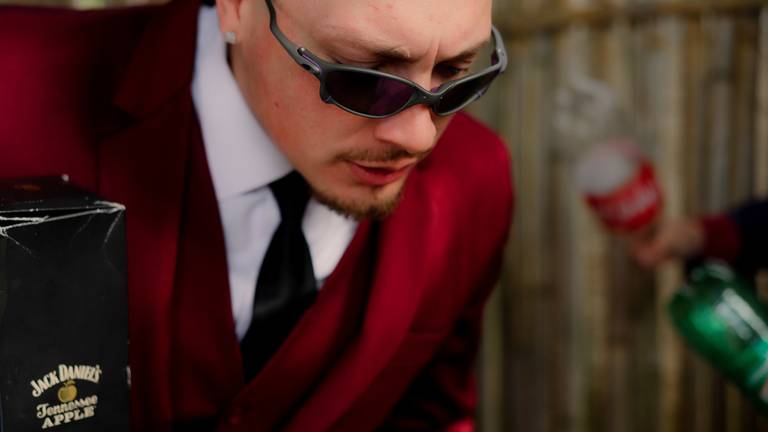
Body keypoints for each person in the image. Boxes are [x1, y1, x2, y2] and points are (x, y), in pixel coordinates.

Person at [1, 0, 513, 431]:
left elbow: (430, 413)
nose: (419, 138)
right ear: (236, 7)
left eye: (456, 74)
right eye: (361, 77)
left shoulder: (474, 181)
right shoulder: (15, 87)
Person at [632, 200, 768, 275]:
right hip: (741, 251)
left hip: (744, 230)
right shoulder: (695, 267)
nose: (655, 261)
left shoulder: (668, 235)